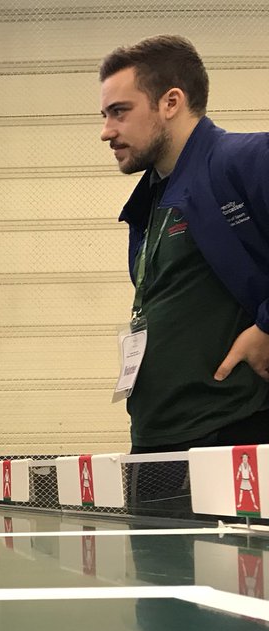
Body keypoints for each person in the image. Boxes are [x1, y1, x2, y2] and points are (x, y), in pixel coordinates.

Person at [99, 35, 269, 457]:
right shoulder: (149, 203)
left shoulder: (246, 160)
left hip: (232, 431)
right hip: (156, 434)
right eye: (105, 115)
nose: (106, 131)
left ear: (170, 102)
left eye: (120, 112)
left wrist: (267, 326)